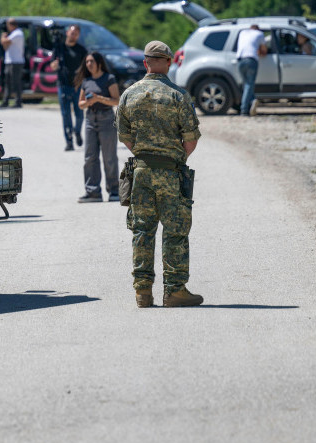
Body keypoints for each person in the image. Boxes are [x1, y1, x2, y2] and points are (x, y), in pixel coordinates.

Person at [117, 40, 202, 308]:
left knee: (142, 231)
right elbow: (190, 139)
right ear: (168, 62)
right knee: (175, 231)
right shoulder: (178, 96)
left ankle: (143, 292)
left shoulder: (129, 94)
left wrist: (145, 154)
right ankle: (174, 291)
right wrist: (175, 158)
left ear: (145, 63)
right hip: (170, 172)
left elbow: (125, 136)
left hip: (141, 172)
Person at [75, 51, 120, 202]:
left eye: (91, 62)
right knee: (90, 157)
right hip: (90, 119)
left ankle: (114, 191)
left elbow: (116, 101)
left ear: (99, 63)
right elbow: (80, 104)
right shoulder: (86, 81)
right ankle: (93, 192)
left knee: (109, 157)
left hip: (106, 118)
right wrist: (88, 102)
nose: (88, 64)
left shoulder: (109, 78)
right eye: (87, 62)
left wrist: (98, 98)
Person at [49, 25, 88, 151]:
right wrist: (54, 65)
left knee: (80, 114)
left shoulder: (81, 50)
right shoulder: (59, 48)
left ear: (78, 35)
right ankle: (69, 141)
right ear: (67, 33)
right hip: (63, 84)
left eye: (76, 33)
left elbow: (86, 67)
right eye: (72, 33)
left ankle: (77, 131)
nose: (73, 35)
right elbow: (52, 63)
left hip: (78, 86)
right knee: (66, 115)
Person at [235, 24, 267, 116]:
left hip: (240, 61)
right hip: (251, 60)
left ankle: (252, 101)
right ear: (257, 29)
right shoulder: (259, 34)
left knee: (247, 85)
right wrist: (260, 51)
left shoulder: (242, 33)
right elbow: (264, 51)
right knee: (249, 84)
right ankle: (244, 110)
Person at [0, 18, 25, 108]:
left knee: (16, 82)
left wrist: (3, 36)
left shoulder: (17, 33)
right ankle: (6, 101)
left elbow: (4, 42)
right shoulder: (13, 35)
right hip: (10, 61)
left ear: (11, 25)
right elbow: (5, 47)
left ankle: (18, 101)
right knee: (7, 82)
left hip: (16, 62)